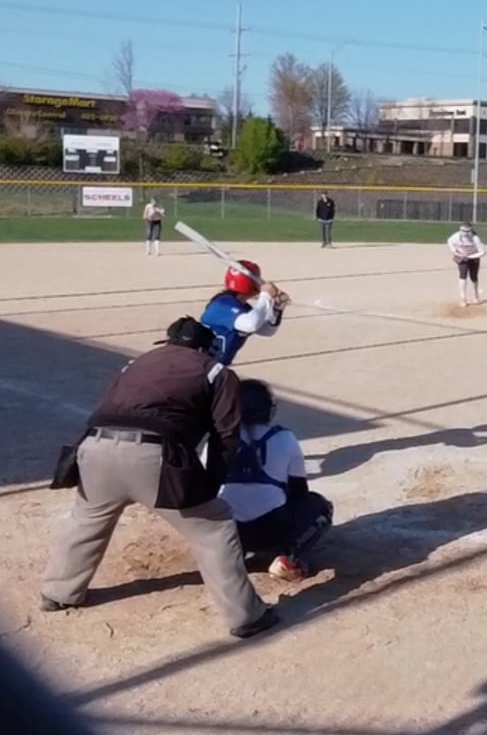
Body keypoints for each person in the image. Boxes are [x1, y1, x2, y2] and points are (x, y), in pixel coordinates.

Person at [39, 316, 279, 639]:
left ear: (168, 342)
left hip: (94, 449)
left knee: (87, 519)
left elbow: (111, 406)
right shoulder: (214, 370)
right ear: (205, 348)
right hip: (154, 456)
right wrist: (208, 484)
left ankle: (58, 592)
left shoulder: (135, 364)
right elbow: (225, 434)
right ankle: (246, 616)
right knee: (214, 527)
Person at [220, 379, 333, 582]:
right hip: (271, 530)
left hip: (229, 529)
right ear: (267, 410)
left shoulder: (217, 439)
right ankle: (287, 557)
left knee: (217, 505)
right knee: (321, 507)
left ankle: (228, 555)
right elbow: (299, 492)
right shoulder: (284, 437)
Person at [200, 261, 290, 366]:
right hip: (202, 366)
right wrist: (265, 295)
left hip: (215, 366)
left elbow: (267, 331)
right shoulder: (223, 304)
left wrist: (277, 308)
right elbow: (250, 325)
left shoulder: (242, 308)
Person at [449, 223, 486, 306]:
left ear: (471, 231)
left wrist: (470, 257)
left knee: (474, 276)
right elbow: (449, 242)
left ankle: (476, 296)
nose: (464, 233)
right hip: (462, 256)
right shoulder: (455, 237)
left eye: (467, 231)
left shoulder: (475, 238)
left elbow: (483, 252)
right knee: (463, 275)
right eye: (462, 231)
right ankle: (463, 298)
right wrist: (456, 252)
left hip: (474, 256)